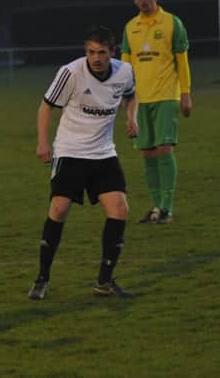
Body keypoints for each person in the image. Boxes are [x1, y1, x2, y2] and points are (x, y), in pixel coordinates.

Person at [27, 26, 138, 301]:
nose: (96, 58)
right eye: (91, 52)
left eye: (101, 52)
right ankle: (42, 278)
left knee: (120, 208)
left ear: (112, 52)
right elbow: (45, 106)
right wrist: (43, 142)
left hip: (103, 153)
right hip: (70, 151)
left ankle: (105, 281)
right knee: (59, 208)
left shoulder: (124, 71)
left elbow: (131, 94)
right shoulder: (71, 72)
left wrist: (131, 117)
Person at [121, 0, 192, 225]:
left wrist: (185, 93)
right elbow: (125, 68)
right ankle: (155, 207)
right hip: (140, 100)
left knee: (164, 149)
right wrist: (125, 102)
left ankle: (167, 208)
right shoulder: (130, 27)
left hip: (166, 96)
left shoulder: (173, 23)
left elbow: (182, 60)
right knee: (148, 154)